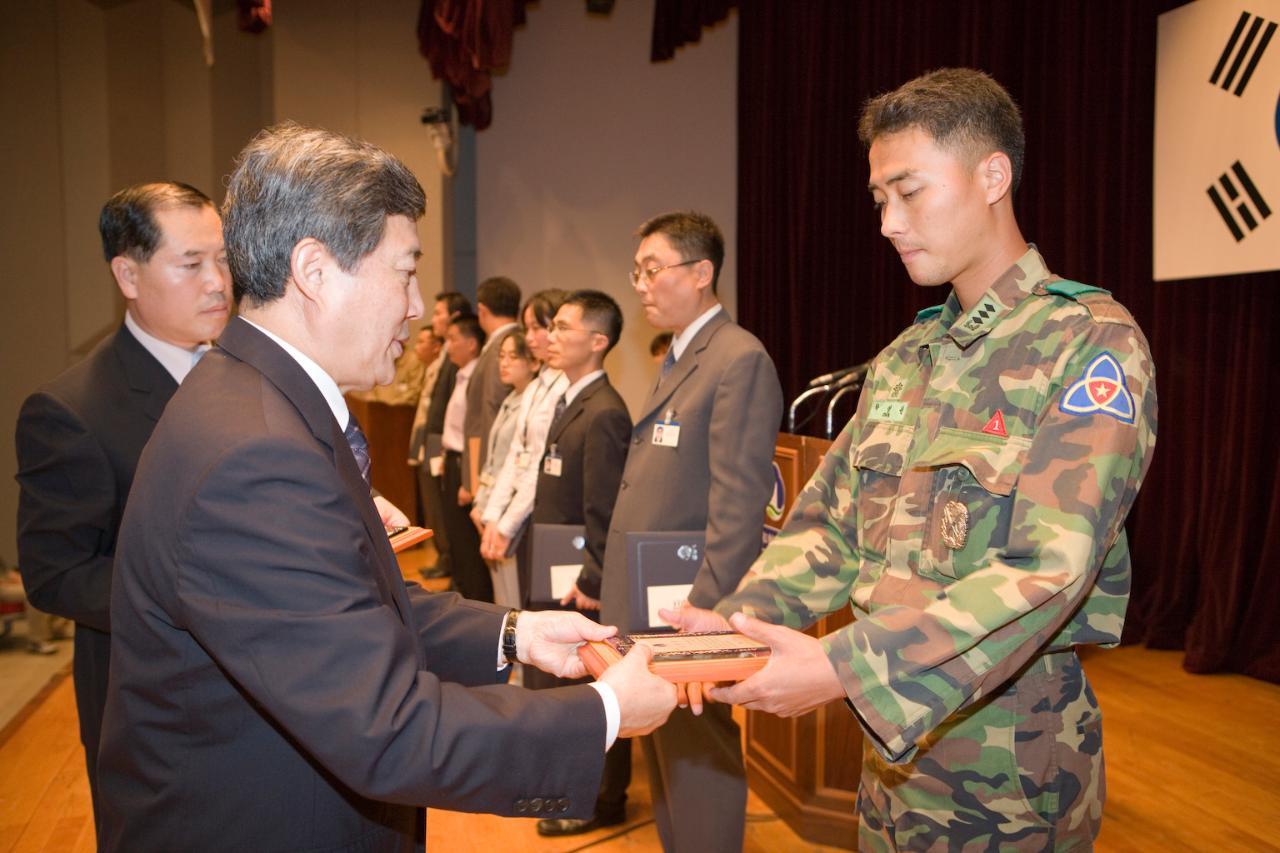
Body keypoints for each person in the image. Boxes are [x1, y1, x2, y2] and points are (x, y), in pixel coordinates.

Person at [95, 122, 677, 853]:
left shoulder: (257, 402)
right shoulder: (257, 452)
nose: (413, 305)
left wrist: (515, 632)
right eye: (403, 271)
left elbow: (354, 613)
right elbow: (388, 726)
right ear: (314, 268)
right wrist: (603, 712)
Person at [667, 69, 1158, 852]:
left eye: (909, 192)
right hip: (891, 769)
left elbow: (1048, 570)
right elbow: (829, 527)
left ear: (992, 175)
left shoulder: (1090, 342)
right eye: (878, 200)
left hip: (1012, 780)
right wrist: (739, 623)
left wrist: (842, 669)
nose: (889, 223)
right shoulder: (905, 358)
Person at [14, 181, 231, 828]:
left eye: (223, 259)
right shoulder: (73, 409)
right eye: (191, 264)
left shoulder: (245, 375)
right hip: (157, 711)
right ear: (127, 274)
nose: (218, 282)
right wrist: (201, 593)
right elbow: (56, 575)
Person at [600, 211, 784, 852]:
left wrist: (709, 606)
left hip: (689, 605)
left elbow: (738, 501)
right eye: (639, 272)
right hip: (654, 597)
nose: (642, 285)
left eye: (654, 270)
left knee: (699, 750)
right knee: (669, 746)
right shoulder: (683, 355)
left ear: (701, 273)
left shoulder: (737, 358)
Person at [524, 290, 633, 837]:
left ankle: (602, 800)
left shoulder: (606, 412)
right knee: (564, 690)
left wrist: (593, 578)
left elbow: (605, 507)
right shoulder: (572, 402)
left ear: (597, 341)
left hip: (580, 580)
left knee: (595, 687)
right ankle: (573, 788)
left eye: (565, 327)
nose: (552, 335)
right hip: (555, 564)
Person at [479, 290, 570, 583]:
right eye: (527, 328)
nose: (530, 338)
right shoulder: (534, 387)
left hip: (546, 512)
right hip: (521, 510)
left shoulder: (566, 387)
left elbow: (539, 463)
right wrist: (494, 516)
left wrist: (506, 524)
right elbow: (516, 457)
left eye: (539, 328)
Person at [471, 332, 539, 608]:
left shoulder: (531, 402)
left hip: (510, 507)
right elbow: (495, 458)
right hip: (492, 502)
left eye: (514, 357)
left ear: (533, 362)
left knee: (512, 594)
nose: (505, 363)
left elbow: (518, 463)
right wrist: (482, 501)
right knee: (501, 591)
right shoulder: (512, 398)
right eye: (502, 356)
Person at [410, 291, 471, 576]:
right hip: (434, 439)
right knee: (435, 506)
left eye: (438, 313)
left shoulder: (454, 357)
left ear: (455, 316)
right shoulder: (446, 355)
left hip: (446, 441)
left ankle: (449, 561)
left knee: (443, 508)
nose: (433, 317)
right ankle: (445, 559)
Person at [440, 313, 493, 602]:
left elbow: (475, 431)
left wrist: (469, 481)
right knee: (456, 541)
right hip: (453, 460)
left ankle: (473, 602)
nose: (447, 346)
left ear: (472, 344)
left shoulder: (475, 376)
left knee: (467, 544)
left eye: (453, 339)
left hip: (465, 464)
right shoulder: (460, 375)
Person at [464, 276, 521, 488]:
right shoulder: (509, 341)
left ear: (482, 310)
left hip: (492, 463)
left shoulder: (502, 346)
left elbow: (491, 410)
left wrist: (482, 476)